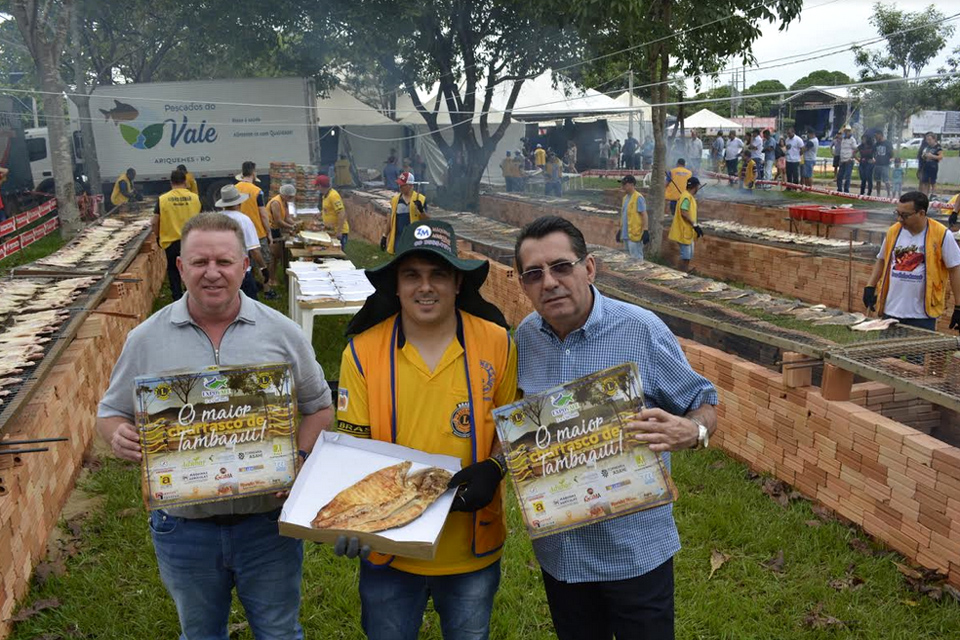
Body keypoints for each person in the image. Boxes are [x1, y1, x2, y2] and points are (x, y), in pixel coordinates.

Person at [96, 211, 334, 640]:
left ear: (244, 266)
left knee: (280, 632)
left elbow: (319, 408)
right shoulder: (146, 339)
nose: (212, 273)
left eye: (224, 262)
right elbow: (109, 412)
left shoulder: (283, 333)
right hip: (184, 527)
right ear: (180, 267)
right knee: (201, 633)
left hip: (266, 523)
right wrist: (118, 435)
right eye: (199, 262)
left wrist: (299, 458)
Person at [513, 215, 718, 640]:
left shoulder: (640, 330)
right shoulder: (525, 339)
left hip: (635, 551)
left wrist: (692, 431)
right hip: (562, 553)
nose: (549, 282)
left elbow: (703, 401)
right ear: (523, 285)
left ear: (589, 268)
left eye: (561, 267)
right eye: (534, 274)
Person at [333, 219, 517, 640]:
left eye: (438, 275)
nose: (425, 287)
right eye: (411, 275)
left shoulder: (498, 343)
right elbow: (350, 452)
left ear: (457, 283)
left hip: (470, 548)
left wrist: (495, 467)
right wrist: (348, 518)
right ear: (395, 286)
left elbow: (513, 432)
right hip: (388, 550)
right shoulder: (362, 353)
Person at [863, 191, 960, 333]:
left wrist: (958, 306)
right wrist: (870, 286)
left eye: (905, 215)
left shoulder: (942, 234)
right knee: (887, 354)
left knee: (915, 355)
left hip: (922, 315)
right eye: (897, 213)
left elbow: (955, 269)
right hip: (891, 311)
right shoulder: (893, 231)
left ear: (921, 213)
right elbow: (882, 260)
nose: (899, 219)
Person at [152, 169, 201, 301]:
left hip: (171, 241)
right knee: (191, 268)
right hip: (192, 240)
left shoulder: (163, 199)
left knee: (173, 270)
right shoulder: (195, 198)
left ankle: (177, 297)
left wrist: (157, 236)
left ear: (171, 182)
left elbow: (155, 221)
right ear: (185, 181)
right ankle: (192, 294)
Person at [215, 184, 268, 301]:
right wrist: (263, 268)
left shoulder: (215, 219)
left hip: (219, 271)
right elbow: (254, 250)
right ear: (239, 203)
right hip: (241, 272)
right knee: (249, 306)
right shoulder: (244, 220)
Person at [235, 161, 275, 298]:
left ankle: (249, 286)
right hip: (257, 232)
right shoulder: (257, 191)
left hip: (239, 233)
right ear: (253, 173)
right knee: (263, 262)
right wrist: (269, 232)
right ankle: (267, 289)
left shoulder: (235, 189)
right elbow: (263, 214)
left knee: (247, 263)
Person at [384, 172, 426, 254]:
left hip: (415, 239)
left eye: (403, 185)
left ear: (410, 185)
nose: (400, 187)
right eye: (399, 184)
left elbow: (427, 220)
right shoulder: (395, 200)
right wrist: (384, 236)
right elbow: (390, 219)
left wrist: (421, 211)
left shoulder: (421, 199)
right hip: (399, 238)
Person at [668, 176, 702, 273]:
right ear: (695, 187)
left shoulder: (688, 197)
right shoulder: (686, 197)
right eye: (698, 187)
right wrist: (695, 225)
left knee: (688, 255)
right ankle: (680, 274)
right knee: (685, 255)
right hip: (683, 231)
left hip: (687, 231)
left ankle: (685, 272)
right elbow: (684, 212)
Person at [267, 183, 297, 281]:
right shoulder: (276, 203)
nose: (291, 198)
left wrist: (296, 225)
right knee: (273, 255)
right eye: (290, 196)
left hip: (276, 229)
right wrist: (292, 227)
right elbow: (278, 221)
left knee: (278, 254)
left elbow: (287, 218)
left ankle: (275, 276)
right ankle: (271, 278)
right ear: (285, 195)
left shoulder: (284, 202)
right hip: (271, 230)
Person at [617, 174, 649, 260]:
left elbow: (644, 214)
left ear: (632, 184)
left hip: (635, 235)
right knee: (628, 259)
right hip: (626, 234)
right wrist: (620, 230)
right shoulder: (625, 198)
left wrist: (645, 230)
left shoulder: (638, 198)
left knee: (636, 259)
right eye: (622, 184)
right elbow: (624, 215)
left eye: (625, 184)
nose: (623, 186)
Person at [316, 174, 349, 249]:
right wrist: (321, 213)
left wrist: (339, 231)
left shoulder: (333, 196)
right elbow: (328, 208)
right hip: (331, 230)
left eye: (316, 186)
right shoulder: (325, 195)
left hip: (339, 231)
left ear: (320, 186)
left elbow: (341, 213)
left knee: (338, 253)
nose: (316, 188)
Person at [920, 132, 943, 196]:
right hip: (926, 165)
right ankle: (924, 195)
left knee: (933, 181)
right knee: (925, 182)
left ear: (934, 139)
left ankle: (933, 194)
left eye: (930, 139)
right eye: (927, 140)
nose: (928, 141)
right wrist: (924, 156)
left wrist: (932, 156)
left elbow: (940, 157)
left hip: (933, 166)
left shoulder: (937, 147)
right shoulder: (927, 147)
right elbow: (923, 155)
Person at [837, 125, 857, 193]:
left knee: (847, 176)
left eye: (848, 131)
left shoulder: (852, 140)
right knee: (840, 176)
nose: (846, 132)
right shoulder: (843, 139)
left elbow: (855, 149)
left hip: (849, 160)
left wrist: (851, 158)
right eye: (845, 131)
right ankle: (839, 189)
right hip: (842, 160)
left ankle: (846, 190)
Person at [874, 131, 894, 198]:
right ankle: (878, 194)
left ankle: (889, 194)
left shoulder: (888, 143)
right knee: (878, 180)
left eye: (876, 136)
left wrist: (889, 158)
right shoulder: (876, 144)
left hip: (885, 164)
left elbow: (891, 153)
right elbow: (874, 152)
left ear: (880, 135)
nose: (875, 137)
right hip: (877, 164)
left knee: (886, 180)